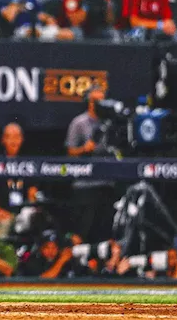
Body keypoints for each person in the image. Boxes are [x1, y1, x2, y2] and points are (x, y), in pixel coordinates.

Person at [64, 86, 115, 242]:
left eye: (102, 100)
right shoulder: (79, 123)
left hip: (106, 183)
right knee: (83, 231)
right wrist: (84, 149)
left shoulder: (111, 123)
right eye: (96, 100)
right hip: (85, 185)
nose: (99, 104)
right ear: (89, 102)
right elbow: (70, 152)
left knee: (105, 231)